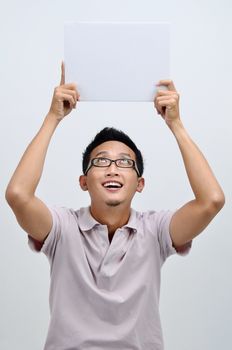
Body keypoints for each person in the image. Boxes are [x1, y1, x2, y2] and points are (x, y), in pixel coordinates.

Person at [5, 63, 225, 350]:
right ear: (84, 181)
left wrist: (176, 124)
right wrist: (53, 117)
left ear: (140, 183)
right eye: (101, 161)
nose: (112, 169)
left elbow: (212, 200)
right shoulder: (62, 228)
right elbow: (18, 195)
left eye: (124, 162)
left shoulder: (156, 231)